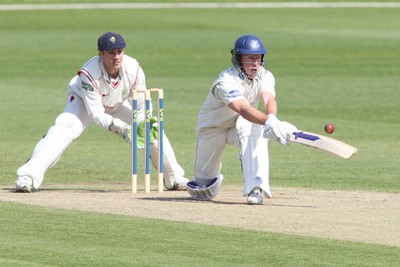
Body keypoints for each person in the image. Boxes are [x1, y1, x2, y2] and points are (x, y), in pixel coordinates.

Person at [15, 32, 188, 193]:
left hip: (117, 105)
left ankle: (174, 178)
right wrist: (121, 128)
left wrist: (144, 123)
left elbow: (141, 105)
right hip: (83, 102)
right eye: (111, 52)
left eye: (119, 51)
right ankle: (29, 176)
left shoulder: (134, 69)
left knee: (152, 131)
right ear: (101, 54)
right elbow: (96, 113)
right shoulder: (89, 73)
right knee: (66, 126)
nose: (117, 57)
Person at [186, 34, 297, 205]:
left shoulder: (266, 76)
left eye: (258, 58)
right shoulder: (226, 82)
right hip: (212, 129)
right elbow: (243, 109)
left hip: (237, 127)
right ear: (238, 59)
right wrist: (268, 122)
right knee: (203, 190)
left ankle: (255, 188)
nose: (255, 63)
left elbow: (268, 99)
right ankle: (211, 176)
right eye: (250, 58)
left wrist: (273, 118)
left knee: (253, 128)